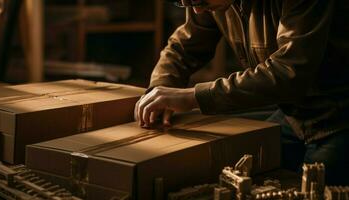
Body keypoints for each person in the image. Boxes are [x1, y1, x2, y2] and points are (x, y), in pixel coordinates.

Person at [134, 0, 349, 185]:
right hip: (293, 115)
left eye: (199, 2)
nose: (197, 10)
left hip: (337, 118)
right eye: (185, 3)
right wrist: (160, 88)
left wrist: (193, 97)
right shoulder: (210, 4)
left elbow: (289, 72)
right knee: (243, 173)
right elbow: (185, 45)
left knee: (314, 187)